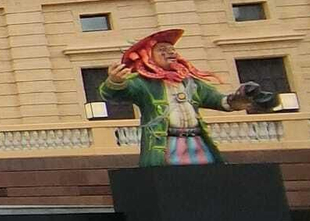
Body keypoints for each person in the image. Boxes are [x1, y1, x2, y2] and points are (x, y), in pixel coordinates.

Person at [100, 28, 274, 165]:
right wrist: (115, 81)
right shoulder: (143, 83)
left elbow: (219, 101)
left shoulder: (191, 83)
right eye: (162, 50)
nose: (170, 53)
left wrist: (239, 98)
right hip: (166, 145)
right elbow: (114, 94)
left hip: (197, 142)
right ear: (148, 57)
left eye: (172, 49)